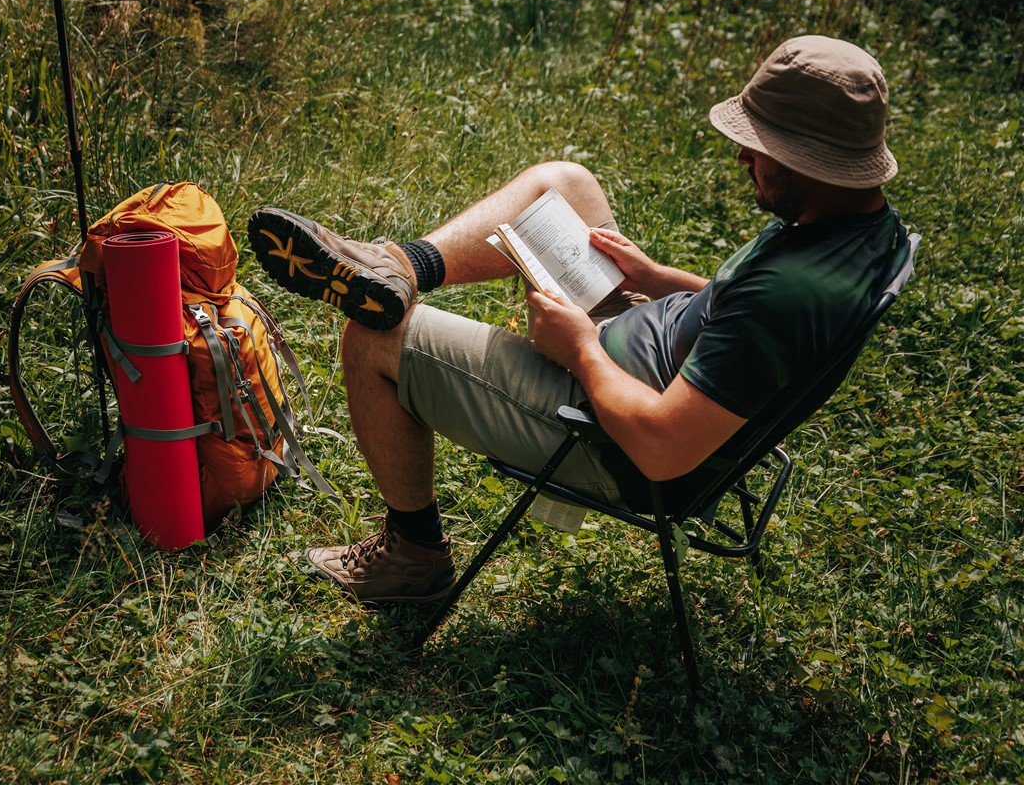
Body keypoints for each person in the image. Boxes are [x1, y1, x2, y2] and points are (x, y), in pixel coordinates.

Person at [246, 35, 910, 605]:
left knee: (372, 337)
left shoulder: (789, 297)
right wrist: (657, 281)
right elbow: (744, 308)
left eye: (759, 146)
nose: (743, 158)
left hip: (607, 432)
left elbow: (663, 447)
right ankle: (399, 269)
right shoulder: (862, 231)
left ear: (808, 157)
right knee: (564, 182)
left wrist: (581, 348)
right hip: (651, 350)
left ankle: (413, 555)